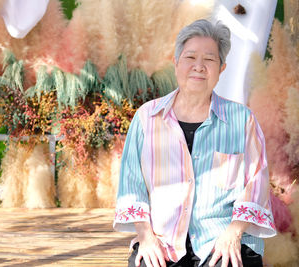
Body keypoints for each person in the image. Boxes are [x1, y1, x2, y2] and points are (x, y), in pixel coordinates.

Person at [113, 19, 276, 267]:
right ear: (176, 62)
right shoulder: (147, 117)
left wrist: (234, 232)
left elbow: (257, 181)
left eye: (209, 60)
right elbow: (131, 184)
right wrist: (146, 237)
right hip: (163, 241)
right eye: (190, 57)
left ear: (221, 68)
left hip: (223, 237)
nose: (199, 67)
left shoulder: (242, 120)